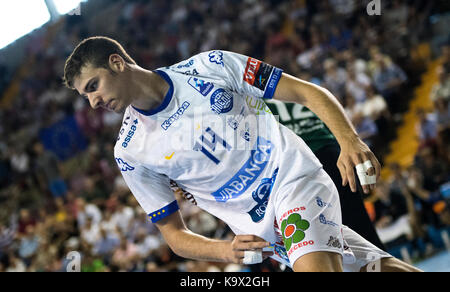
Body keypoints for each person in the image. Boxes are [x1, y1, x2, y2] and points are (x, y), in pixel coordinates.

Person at [63, 36, 420, 272]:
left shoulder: (210, 67)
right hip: (265, 232)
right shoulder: (129, 151)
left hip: (293, 180)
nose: (93, 101)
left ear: (117, 63)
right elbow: (173, 234)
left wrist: (349, 140)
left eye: (93, 85)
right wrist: (223, 250)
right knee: (376, 268)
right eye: (85, 96)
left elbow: (308, 93)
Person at [264, 98, 386, 251]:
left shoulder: (258, 105)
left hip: (304, 163)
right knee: (361, 228)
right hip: (333, 154)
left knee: (317, 240)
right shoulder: (299, 94)